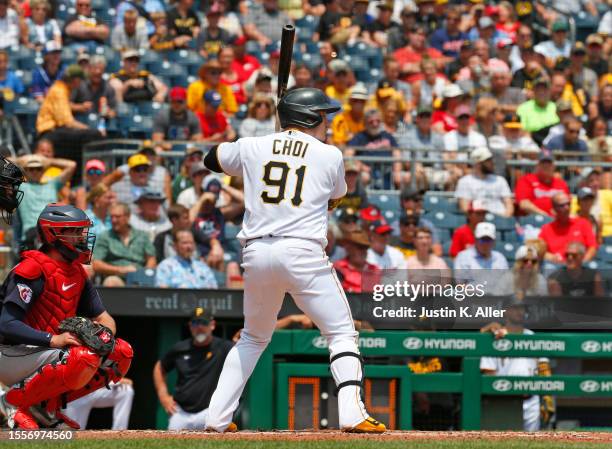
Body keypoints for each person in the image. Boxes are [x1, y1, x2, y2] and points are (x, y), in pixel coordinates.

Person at [202, 87, 386, 433]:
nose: (327, 123)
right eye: (322, 116)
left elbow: (210, 159)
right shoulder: (330, 155)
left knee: (253, 338)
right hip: (302, 252)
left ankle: (216, 417)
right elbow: (336, 197)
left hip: (256, 254)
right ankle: (351, 412)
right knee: (342, 332)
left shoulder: (252, 145)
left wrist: (263, 145)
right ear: (309, 118)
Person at [0, 204, 133, 429]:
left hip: (44, 354)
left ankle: (45, 409)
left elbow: (106, 319)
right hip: (10, 352)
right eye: (75, 231)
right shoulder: (32, 268)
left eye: (82, 231)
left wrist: (103, 335)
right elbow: (6, 324)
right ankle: (11, 403)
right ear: (54, 234)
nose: (82, 237)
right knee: (81, 357)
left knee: (121, 353)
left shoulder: (77, 272)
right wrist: (54, 340)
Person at [153, 308, 233, 430]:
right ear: (190, 326)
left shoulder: (223, 347)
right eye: (195, 323)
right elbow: (160, 367)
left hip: (208, 412)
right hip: (180, 413)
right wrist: (164, 397)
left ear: (212, 325)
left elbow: (242, 353)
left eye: (204, 323)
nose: (199, 327)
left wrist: (240, 341)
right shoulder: (180, 348)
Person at [480, 299, 553, 431]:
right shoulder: (495, 336)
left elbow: (543, 368)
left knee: (532, 443)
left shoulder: (532, 336)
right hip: (505, 400)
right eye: (514, 307)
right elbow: (488, 372)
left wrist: (547, 397)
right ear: (505, 311)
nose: (519, 311)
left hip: (531, 400)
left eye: (522, 308)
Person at [35, 65, 102, 179]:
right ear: (74, 80)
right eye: (80, 79)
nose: (80, 83)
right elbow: (67, 122)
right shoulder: (59, 90)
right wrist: (88, 129)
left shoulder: (62, 89)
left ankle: (77, 178)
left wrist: (79, 107)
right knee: (93, 135)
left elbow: (65, 107)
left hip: (55, 130)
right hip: (49, 132)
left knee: (78, 148)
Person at [92, 202, 157, 287]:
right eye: (111, 217)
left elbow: (151, 259)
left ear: (128, 217)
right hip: (116, 277)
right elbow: (96, 264)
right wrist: (119, 270)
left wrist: (143, 274)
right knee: (111, 282)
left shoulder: (142, 236)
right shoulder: (105, 237)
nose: (114, 220)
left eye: (117, 217)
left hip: (139, 279)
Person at [17, 154, 76, 240]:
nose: (35, 172)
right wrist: (21, 160)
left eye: (39, 169)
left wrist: (49, 161)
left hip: (53, 231)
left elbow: (72, 165)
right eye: (31, 169)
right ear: (26, 171)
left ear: (43, 171)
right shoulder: (20, 187)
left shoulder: (52, 184)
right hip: (32, 233)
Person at [539, 193, 597, 266]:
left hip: (580, 267)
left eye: (568, 204)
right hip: (557, 267)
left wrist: (583, 262)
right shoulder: (546, 229)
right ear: (554, 209)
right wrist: (550, 256)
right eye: (562, 205)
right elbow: (539, 250)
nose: (567, 207)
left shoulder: (583, 223)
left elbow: (592, 247)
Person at [455, 147, 513, 217]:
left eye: (491, 159)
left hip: (500, 218)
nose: (492, 162)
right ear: (478, 163)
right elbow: (464, 208)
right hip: (478, 220)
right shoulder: (465, 181)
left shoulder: (500, 180)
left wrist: (505, 218)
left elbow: (509, 205)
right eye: (488, 160)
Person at [62, 378, 134, 430]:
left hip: (96, 389)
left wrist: (115, 380)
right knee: (72, 434)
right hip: (76, 394)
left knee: (125, 390)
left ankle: (120, 433)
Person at [514, 152, 569, 216]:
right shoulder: (526, 180)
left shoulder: (561, 183)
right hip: (533, 219)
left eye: (549, 163)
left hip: (558, 220)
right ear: (537, 165)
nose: (546, 165)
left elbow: (567, 204)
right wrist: (545, 215)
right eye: (543, 163)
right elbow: (524, 204)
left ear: (554, 166)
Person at [70, 55, 117, 120]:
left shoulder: (108, 88)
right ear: (89, 69)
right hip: (81, 123)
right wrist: (80, 107)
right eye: (95, 68)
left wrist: (109, 113)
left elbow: (114, 110)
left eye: (101, 69)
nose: (97, 72)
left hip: (101, 125)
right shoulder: (79, 84)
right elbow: (67, 105)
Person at [516, 77, 559, 145]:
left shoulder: (556, 107)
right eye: (538, 89)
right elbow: (521, 130)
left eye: (544, 89)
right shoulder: (524, 108)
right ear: (533, 91)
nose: (541, 92)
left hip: (553, 142)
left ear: (549, 91)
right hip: (532, 141)